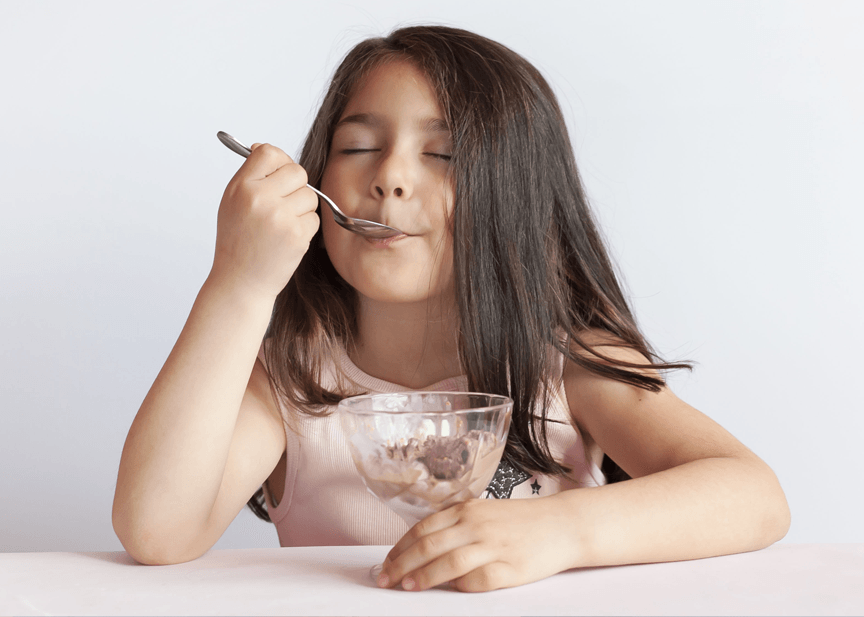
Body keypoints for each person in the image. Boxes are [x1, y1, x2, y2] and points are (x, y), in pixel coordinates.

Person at [112, 25, 790, 592]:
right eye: (357, 146)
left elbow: (753, 494)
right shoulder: (292, 375)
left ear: (516, 201)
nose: (390, 175)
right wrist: (238, 283)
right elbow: (156, 530)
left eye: (443, 154)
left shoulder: (564, 360)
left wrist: (562, 530)